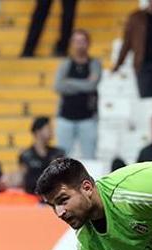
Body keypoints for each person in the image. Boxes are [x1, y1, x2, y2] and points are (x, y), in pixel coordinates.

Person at [54, 30, 101, 158]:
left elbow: (92, 85)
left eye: (82, 41)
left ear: (88, 43)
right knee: (63, 159)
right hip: (65, 117)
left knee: (90, 157)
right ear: (72, 43)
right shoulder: (66, 64)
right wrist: (83, 84)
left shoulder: (94, 64)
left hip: (88, 118)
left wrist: (68, 82)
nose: (80, 45)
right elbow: (58, 86)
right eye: (76, 41)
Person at [19, 116, 64, 195]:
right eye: (48, 128)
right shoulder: (26, 155)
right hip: (32, 197)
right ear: (38, 131)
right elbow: (23, 180)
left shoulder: (58, 153)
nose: (51, 131)